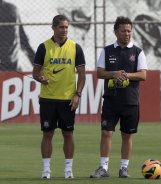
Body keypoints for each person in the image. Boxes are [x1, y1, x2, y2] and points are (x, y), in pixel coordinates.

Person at [90, 16, 147, 178]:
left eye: (129, 31)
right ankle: (103, 168)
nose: (127, 34)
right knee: (106, 133)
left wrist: (126, 75)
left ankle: (124, 168)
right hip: (111, 100)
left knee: (127, 135)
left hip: (130, 101)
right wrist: (114, 73)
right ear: (116, 32)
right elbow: (99, 73)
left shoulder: (138, 52)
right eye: (123, 31)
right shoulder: (107, 51)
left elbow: (143, 75)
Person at [32, 15, 86, 179]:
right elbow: (35, 72)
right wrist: (40, 78)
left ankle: (68, 170)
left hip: (67, 99)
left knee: (68, 133)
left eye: (66, 27)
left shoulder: (75, 47)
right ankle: (46, 170)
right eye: (61, 27)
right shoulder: (44, 47)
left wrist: (77, 94)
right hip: (48, 99)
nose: (64, 30)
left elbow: (82, 75)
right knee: (47, 133)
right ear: (53, 28)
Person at [0, 0, 35, 71]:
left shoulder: (11, 9)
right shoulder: (12, 9)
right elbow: (23, 40)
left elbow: (22, 39)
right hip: (12, 65)